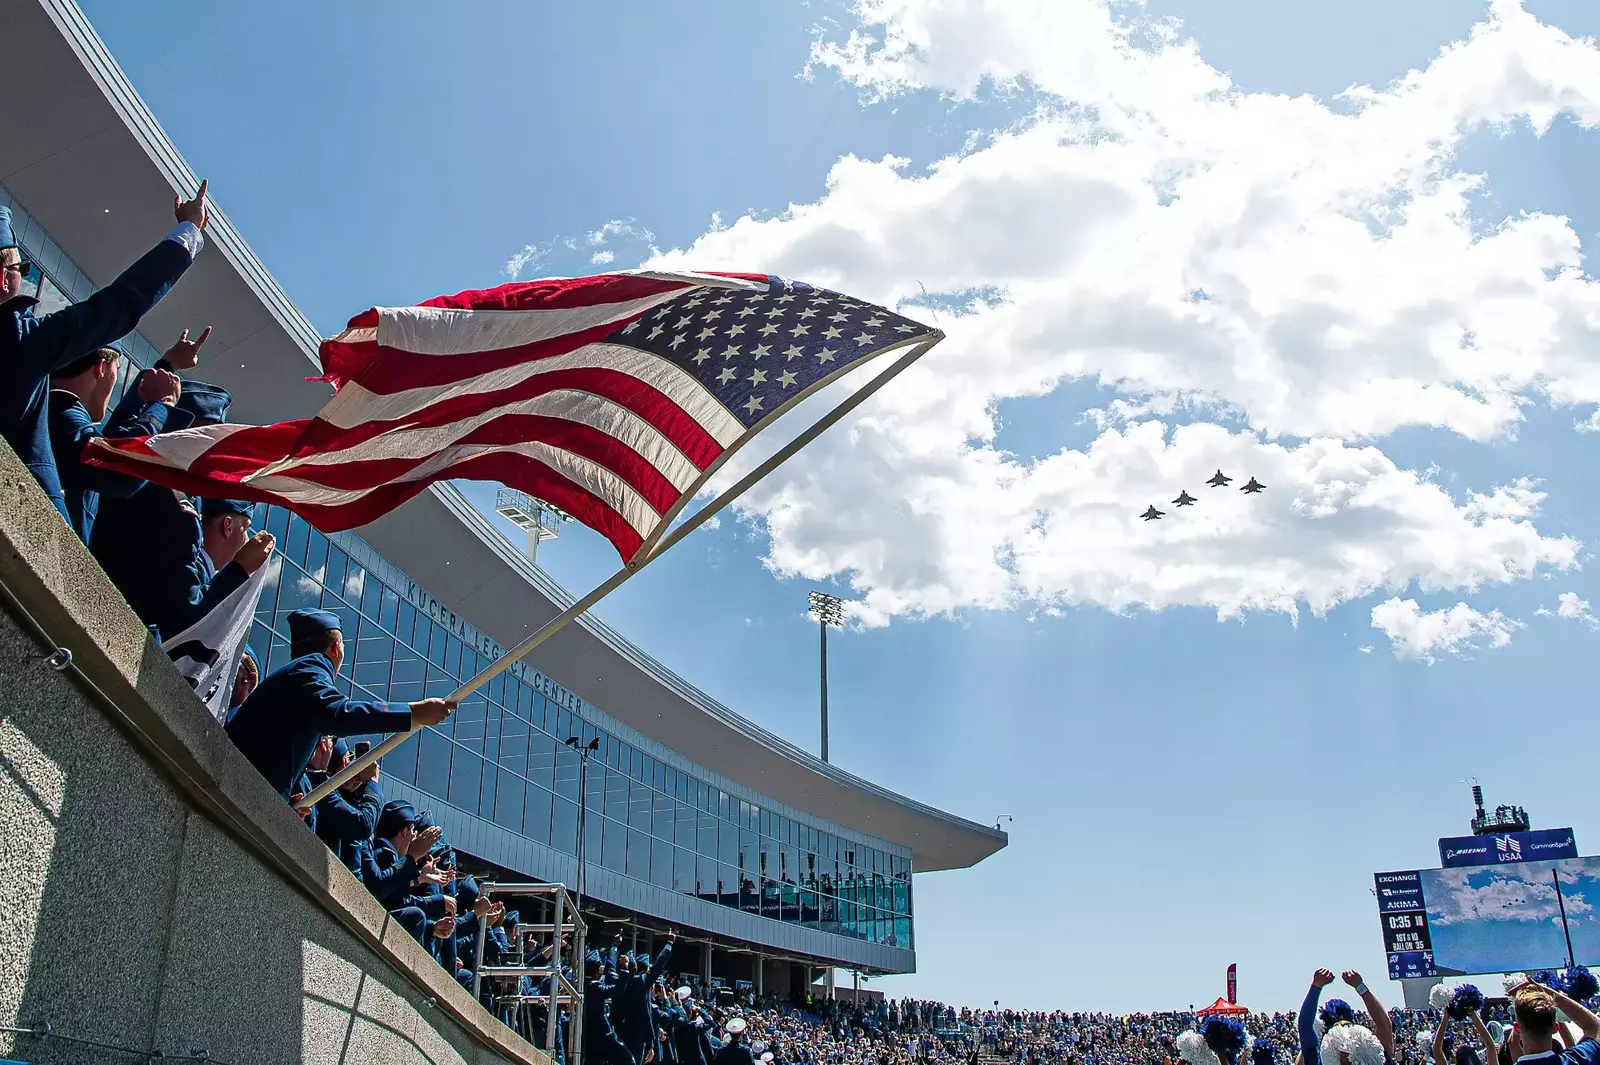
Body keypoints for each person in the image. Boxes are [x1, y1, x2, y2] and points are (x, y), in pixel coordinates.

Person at [0, 185, 208, 522]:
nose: (23, 282)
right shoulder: (16, 342)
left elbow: (108, 441)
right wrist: (191, 231)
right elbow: (120, 304)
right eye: (21, 271)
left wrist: (163, 371)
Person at [91, 379, 274, 641]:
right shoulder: (175, 507)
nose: (212, 452)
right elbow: (185, 619)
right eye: (208, 439)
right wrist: (240, 569)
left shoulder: (145, 479)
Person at [226, 608, 455, 799]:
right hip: (236, 787)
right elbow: (337, 714)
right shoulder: (312, 668)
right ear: (335, 648)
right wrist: (412, 712)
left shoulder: (298, 674)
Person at [47, 342, 181, 543]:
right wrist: (162, 405)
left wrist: (165, 367)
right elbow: (122, 473)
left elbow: (111, 444)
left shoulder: (54, 408)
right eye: (116, 370)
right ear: (101, 368)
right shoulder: (61, 412)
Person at [1506, 980, 1600, 1065]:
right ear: (1556, 1028)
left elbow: (1512, 1042)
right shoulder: (1576, 1060)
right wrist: (1551, 994)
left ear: (1517, 1028)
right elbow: (1595, 1027)